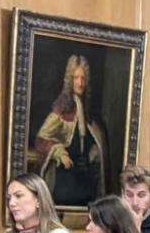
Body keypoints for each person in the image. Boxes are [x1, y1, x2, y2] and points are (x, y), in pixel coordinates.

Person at [34, 54, 105, 207]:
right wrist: (60, 152)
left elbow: (95, 140)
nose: (80, 83)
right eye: (76, 78)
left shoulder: (88, 109)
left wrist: (94, 153)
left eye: (83, 78)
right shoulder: (62, 107)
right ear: (69, 80)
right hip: (66, 178)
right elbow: (41, 138)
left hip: (86, 179)